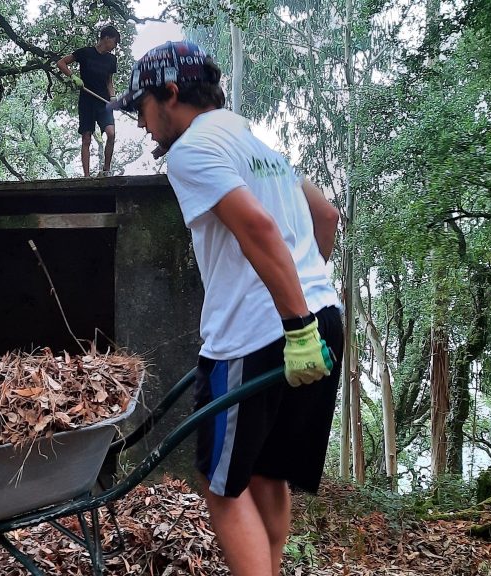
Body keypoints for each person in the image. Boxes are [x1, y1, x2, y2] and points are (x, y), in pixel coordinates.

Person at [110, 41, 343, 576]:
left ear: (169, 94)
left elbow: (257, 228)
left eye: (142, 108)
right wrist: (307, 310)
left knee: (221, 489)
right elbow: (325, 217)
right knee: (266, 472)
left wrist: (293, 324)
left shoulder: (192, 148)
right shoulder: (254, 140)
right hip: (324, 316)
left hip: (259, 335)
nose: (142, 124)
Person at [56, 25, 120, 177]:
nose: (115, 46)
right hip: (86, 100)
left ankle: (106, 170)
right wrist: (73, 76)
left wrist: (112, 97)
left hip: (103, 101)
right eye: (115, 42)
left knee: (111, 134)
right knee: (86, 137)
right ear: (107, 38)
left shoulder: (112, 59)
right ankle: (86, 176)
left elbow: (109, 82)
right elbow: (61, 63)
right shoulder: (85, 53)